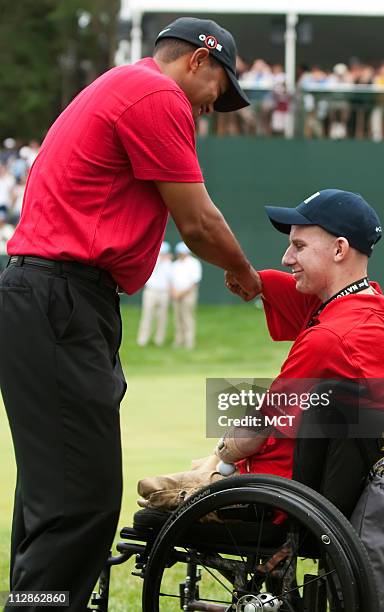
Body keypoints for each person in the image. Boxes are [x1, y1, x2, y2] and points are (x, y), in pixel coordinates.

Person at [0, 16, 261, 611]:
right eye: (219, 88)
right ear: (198, 60)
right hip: (61, 295)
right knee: (80, 500)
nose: (212, 107)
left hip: (52, 297)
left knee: (55, 495)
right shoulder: (155, 94)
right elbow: (197, 222)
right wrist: (246, 275)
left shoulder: (123, 85)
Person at [140, 189, 384, 519]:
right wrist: (254, 280)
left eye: (300, 246)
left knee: (150, 518)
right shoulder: (368, 310)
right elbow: (300, 298)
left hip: (276, 496)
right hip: (319, 484)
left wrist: (219, 459)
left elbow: (258, 428)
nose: (287, 257)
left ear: (339, 250)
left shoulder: (330, 337)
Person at [137, 241, 173, 347]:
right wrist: (159, 260)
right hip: (151, 292)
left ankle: (159, 340)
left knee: (162, 317)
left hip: (164, 293)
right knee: (147, 316)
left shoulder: (169, 264)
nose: (163, 255)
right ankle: (143, 340)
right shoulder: (152, 261)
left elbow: (171, 279)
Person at [171, 241, 202, 349]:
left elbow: (194, 282)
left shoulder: (194, 263)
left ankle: (189, 341)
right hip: (176, 294)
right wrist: (174, 292)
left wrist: (181, 293)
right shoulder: (175, 264)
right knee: (177, 318)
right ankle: (179, 340)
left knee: (187, 317)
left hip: (188, 294)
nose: (181, 254)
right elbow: (171, 280)